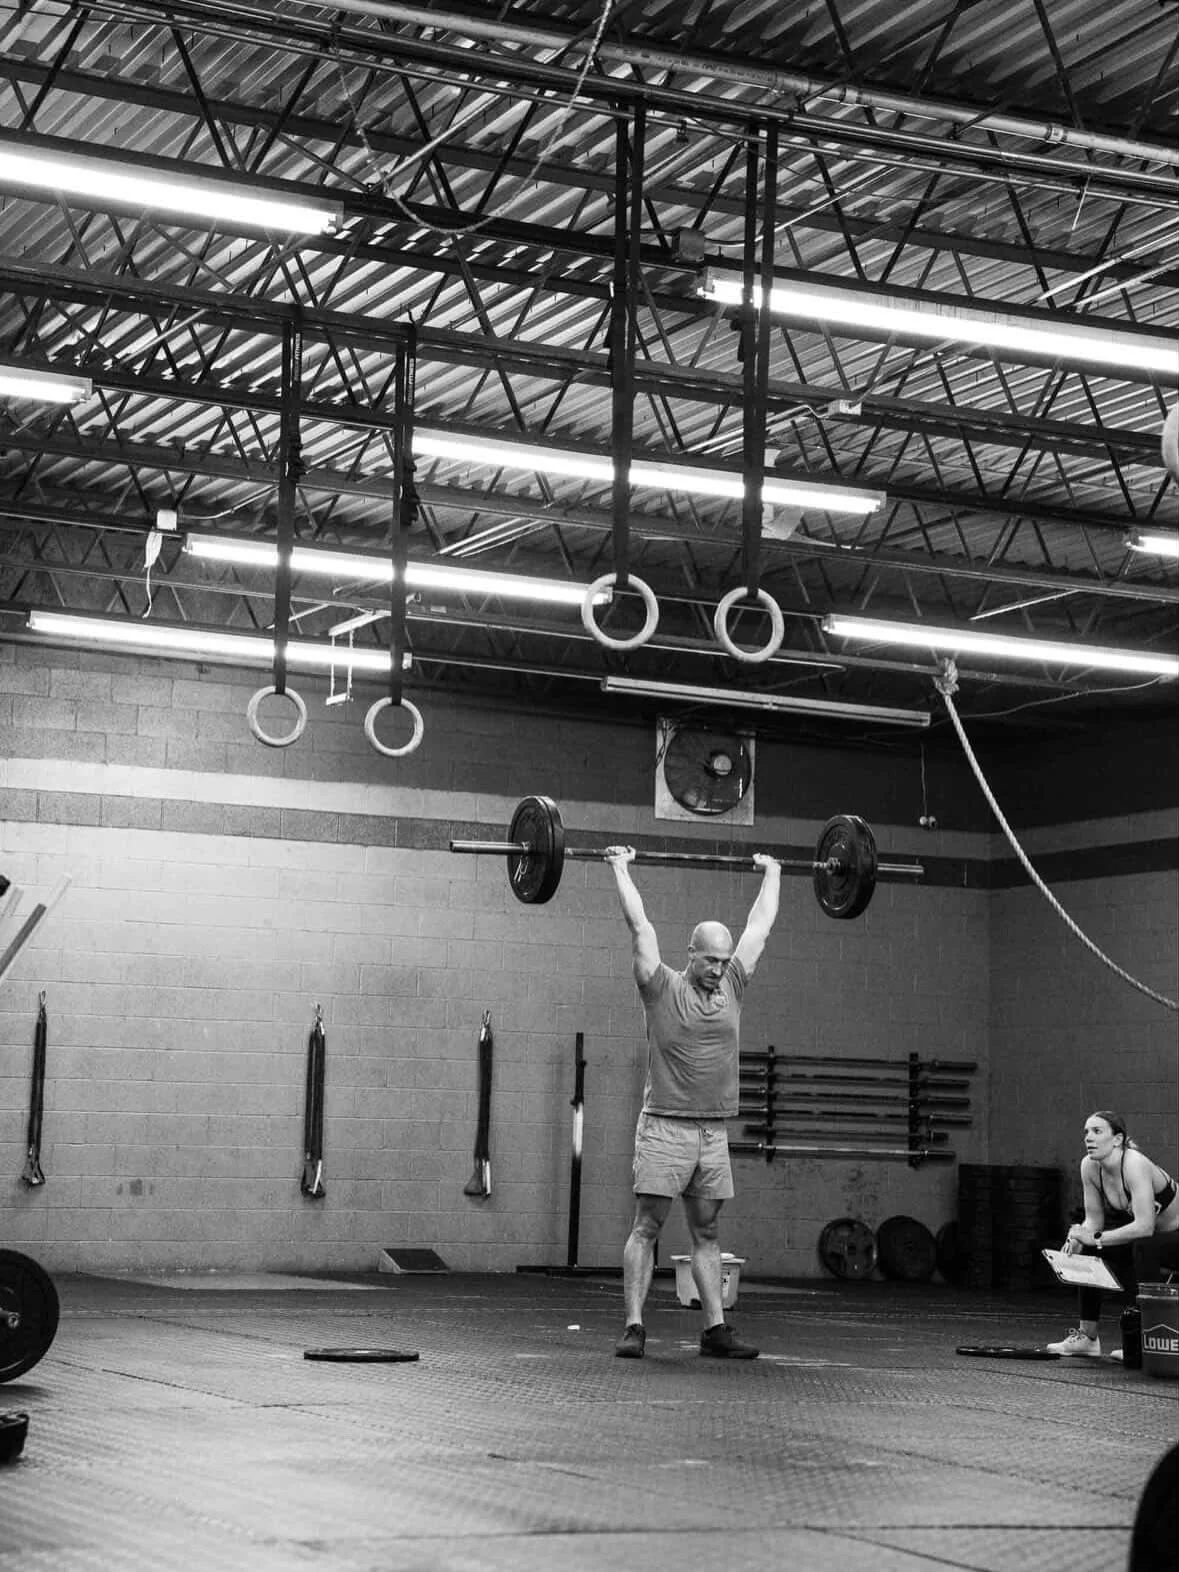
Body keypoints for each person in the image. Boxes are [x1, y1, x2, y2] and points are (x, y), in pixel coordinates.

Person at [605, 845, 782, 1360]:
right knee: (648, 1226)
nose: (718, 969)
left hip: (712, 1132)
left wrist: (773, 872)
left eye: (724, 961)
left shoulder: (734, 984)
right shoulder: (660, 987)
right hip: (665, 1126)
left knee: (707, 1230)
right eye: (710, 960)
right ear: (691, 954)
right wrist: (621, 869)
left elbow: (761, 927)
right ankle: (635, 1327)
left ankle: (715, 1330)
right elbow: (640, 928)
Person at [1048, 1110, 1179, 1358]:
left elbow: (1145, 1226)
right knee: (1087, 1248)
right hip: (1153, 1238)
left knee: (1142, 1245)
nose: (1089, 1138)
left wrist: (1095, 1237)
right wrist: (1076, 1236)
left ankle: (1146, 1339)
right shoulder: (1090, 1167)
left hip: (1173, 1237)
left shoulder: (1134, 1164)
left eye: (1097, 1132)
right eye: (1086, 1132)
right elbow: (1093, 1221)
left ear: (1117, 1139)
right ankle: (1087, 1338)